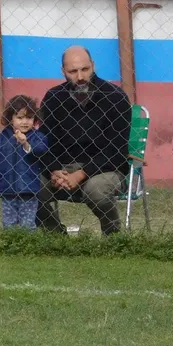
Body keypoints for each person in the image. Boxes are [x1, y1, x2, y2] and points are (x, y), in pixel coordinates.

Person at [36, 46, 131, 235]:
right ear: (63, 71)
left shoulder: (115, 97)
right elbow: (44, 142)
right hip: (63, 168)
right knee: (28, 182)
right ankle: (55, 237)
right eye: (73, 71)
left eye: (85, 69)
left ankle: (113, 237)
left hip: (105, 170)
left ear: (93, 66)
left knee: (96, 190)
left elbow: (117, 151)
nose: (80, 77)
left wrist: (81, 174)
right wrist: (54, 170)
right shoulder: (54, 97)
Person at [0, 95, 48, 230]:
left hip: (28, 189)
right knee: (9, 224)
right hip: (7, 189)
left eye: (29, 118)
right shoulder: (0, 139)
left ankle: (28, 243)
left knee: (28, 225)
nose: (25, 122)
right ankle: (11, 242)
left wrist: (25, 143)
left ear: (35, 119)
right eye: (20, 118)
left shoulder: (37, 137)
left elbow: (41, 150)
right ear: (10, 119)